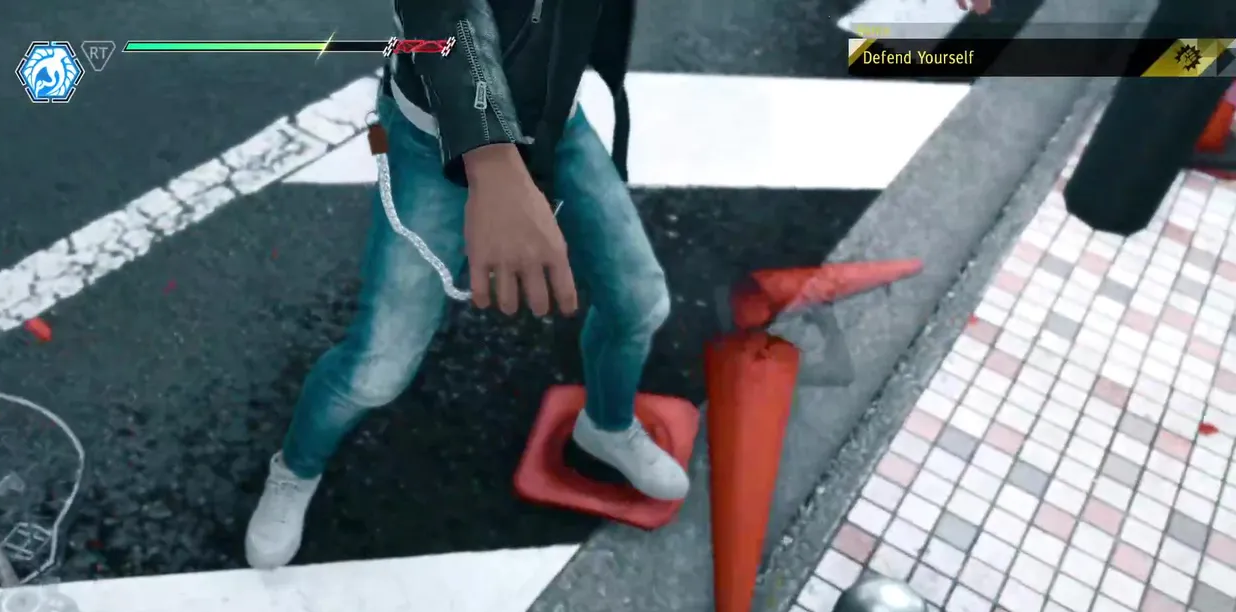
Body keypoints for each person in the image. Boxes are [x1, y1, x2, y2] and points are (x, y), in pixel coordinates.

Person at [244, 0, 994, 570]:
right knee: (378, 366)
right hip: (430, 134)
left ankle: (605, 424)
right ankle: (296, 467)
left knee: (640, 302)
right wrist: (493, 162)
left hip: (556, 119)